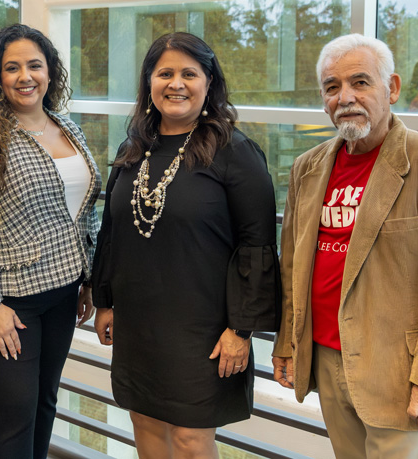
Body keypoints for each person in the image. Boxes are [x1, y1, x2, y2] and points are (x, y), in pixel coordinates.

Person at [271, 34, 418, 459]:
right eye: (332, 87)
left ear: (391, 88)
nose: (346, 97)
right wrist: (288, 343)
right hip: (327, 357)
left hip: (400, 371)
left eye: (360, 82)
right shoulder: (308, 167)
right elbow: (292, 266)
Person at [92, 32, 280, 458]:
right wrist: (105, 301)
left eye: (189, 73)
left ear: (209, 83)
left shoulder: (236, 152)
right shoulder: (133, 148)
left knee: (192, 440)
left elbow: (258, 246)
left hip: (205, 329)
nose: (176, 83)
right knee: (144, 423)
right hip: (139, 322)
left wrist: (241, 330)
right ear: (149, 84)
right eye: (165, 73)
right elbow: (112, 232)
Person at [0, 23, 101, 458]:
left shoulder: (67, 127)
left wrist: (88, 281)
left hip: (66, 289)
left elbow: (82, 212)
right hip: (12, 300)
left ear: (50, 72)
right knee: (16, 409)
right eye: (12, 68)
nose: (25, 76)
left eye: (35, 65)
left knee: (45, 401)